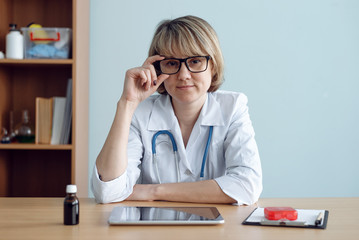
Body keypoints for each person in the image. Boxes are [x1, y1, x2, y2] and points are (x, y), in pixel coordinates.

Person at [92, 15, 262, 205]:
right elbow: (108, 191)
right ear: (157, 69)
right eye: (172, 63)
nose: (183, 75)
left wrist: (154, 191)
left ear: (212, 66)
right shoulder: (140, 112)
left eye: (195, 61)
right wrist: (127, 103)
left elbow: (247, 186)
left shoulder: (232, 107)